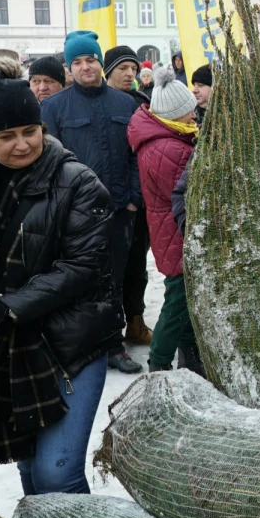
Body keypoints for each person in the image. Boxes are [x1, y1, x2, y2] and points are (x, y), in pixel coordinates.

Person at [0, 77, 121, 495]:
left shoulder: (78, 182)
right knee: (29, 471)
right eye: (6, 135)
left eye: (30, 131)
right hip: (3, 349)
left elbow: (82, 268)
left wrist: (4, 308)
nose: (22, 144)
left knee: (57, 474)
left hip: (72, 343)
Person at [41, 30, 144, 375]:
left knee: (114, 280)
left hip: (118, 211)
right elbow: (50, 164)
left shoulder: (124, 103)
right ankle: (80, 346)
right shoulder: (54, 107)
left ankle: (113, 345)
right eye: (78, 62)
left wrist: (132, 199)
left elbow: (135, 157)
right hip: (77, 215)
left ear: (101, 62)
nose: (86, 66)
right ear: (70, 68)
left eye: (91, 60)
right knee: (78, 281)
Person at [128, 65, 203, 375]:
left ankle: (189, 357)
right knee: (177, 303)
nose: (194, 116)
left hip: (169, 233)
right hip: (176, 235)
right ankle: (159, 361)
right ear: (174, 115)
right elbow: (186, 195)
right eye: (189, 112)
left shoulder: (166, 139)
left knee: (182, 300)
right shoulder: (170, 148)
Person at [99, 45, 153, 349]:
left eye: (133, 68)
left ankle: (135, 320)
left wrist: (136, 197)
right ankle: (111, 328)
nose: (129, 74)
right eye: (123, 68)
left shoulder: (140, 102)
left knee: (136, 265)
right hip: (108, 200)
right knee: (110, 268)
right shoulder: (100, 103)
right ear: (108, 71)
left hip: (137, 199)